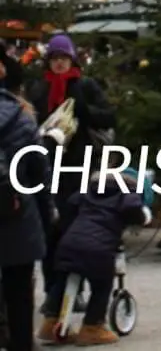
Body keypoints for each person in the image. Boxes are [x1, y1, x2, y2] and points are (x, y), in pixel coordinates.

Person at [27, 33, 115, 306]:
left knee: (75, 230)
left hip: (80, 166)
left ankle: (75, 290)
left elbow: (108, 117)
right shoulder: (40, 88)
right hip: (47, 168)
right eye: (55, 59)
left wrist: (83, 111)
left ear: (72, 59)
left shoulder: (85, 85)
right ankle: (53, 291)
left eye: (64, 58)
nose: (60, 64)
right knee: (50, 232)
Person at [38, 171, 151, 345]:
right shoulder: (127, 194)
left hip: (69, 242)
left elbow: (70, 205)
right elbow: (135, 211)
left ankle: (50, 321)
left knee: (61, 281)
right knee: (101, 285)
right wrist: (144, 216)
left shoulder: (87, 191)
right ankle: (92, 326)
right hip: (98, 248)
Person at [0, 49, 55, 351]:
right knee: (20, 295)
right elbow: (40, 176)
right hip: (17, 217)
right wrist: (46, 221)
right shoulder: (22, 117)